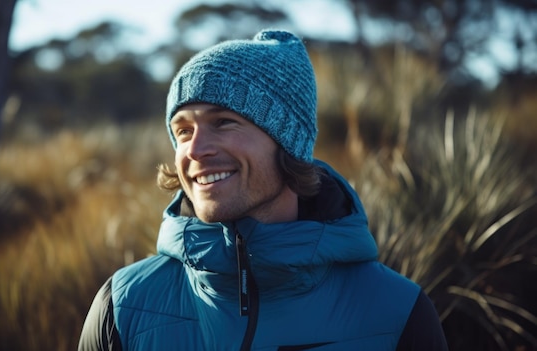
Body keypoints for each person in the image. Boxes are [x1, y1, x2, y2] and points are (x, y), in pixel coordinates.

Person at [78, 29, 448, 351]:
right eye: (183, 131)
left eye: (223, 122)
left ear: (287, 141)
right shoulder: (122, 307)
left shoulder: (398, 312)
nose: (193, 149)